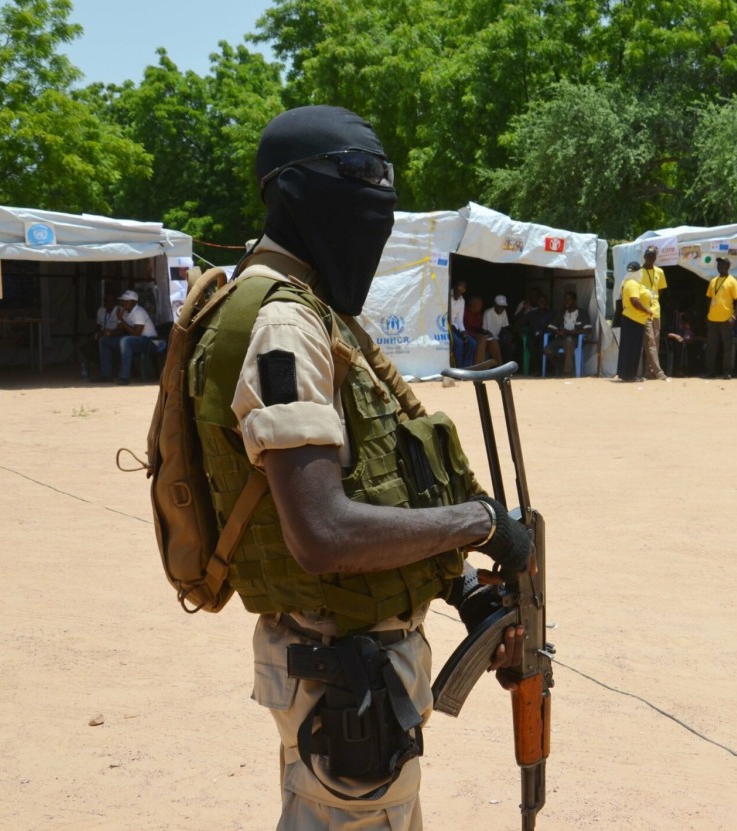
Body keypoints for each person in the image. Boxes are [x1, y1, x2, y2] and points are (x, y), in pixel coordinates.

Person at [189, 105, 532, 829]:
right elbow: (322, 530)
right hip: (342, 675)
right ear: (291, 194)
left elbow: (379, 487)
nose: (373, 209)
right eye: (357, 187)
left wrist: (465, 589)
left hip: (352, 663)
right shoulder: (285, 324)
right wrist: (480, 523)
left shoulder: (314, 310)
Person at [97, 289, 158, 384]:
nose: (124, 303)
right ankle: (106, 375)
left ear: (134, 302)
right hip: (134, 340)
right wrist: (110, 333)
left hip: (149, 341)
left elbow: (137, 333)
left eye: (127, 301)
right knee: (104, 340)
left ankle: (124, 376)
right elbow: (120, 330)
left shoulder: (139, 311)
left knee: (125, 340)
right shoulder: (124, 312)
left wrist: (122, 320)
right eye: (123, 301)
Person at [704, 257, 737, 379]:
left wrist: (734, 316)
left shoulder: (732, 281)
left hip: (726, 319)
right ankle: (711, 371)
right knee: (711, 347)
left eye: (722, 264)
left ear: (728, 266)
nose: (720, 266)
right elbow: (709, 298)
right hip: (712, 319)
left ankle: (727, 372)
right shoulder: (713, 281)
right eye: (718, 264)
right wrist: (708, 314)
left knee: (727, 348)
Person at [618, 261, 652, 382]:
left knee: (628, 347)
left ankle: (626, 374)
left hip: (633, 319)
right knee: (633, 348)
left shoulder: (628, 282)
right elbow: (635, 301)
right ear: (638, 272)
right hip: (633, 319)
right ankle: (630, 375)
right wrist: (647, 310)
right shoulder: (632, 284)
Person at [639, 245, 668, 380]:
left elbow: (660, 291)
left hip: (655, 310)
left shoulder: (660, 272)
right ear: (644, 256)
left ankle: (649, 371)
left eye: (653, 257)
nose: (650, 259)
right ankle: (657, 371)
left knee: (654, 342)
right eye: (648, 256)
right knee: (649, 341)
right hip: (642, 311)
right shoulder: (638, 271)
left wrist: (653, 302)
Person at [545, 291, 591, 376]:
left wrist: (570, 332)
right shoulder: (561, 313)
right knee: (547, 350)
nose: (566, 302)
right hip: (561, 339)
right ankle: (561, 367)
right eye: (565, 300)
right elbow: (550, 327)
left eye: (569, 300)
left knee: (569, 340)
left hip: (576, 340)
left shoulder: (582, 313)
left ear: (574, 301)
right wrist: (558, 331)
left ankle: (568, 371)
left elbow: (588, 330)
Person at [80, 289, 118, 379]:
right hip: (102, 335)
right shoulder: (101, 310)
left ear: (115, 302)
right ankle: (88, 369)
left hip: (115, 336)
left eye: (110, 301)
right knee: (85, 346)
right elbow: (98, 325)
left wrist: (109, 333)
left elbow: (120, 329)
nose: (107, 303)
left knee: (105, 342)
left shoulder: (119, 312)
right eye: (105, 301)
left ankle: (108, 372)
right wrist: (95, 333)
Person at [522, 293, 552, 375]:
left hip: (546, 337)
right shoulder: (532, 314)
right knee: (531, 345)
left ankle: (543, 369)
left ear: (547, 303)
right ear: (537, 303)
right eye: (540, 301)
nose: (541, 303)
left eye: (543, 301)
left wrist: (544, 333)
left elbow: (553, 328)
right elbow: (520, 323)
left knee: (542, 345)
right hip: (533, 336)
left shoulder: (551, 314)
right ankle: (535, 369)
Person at [448, 280, 476, 367]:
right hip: (445, 327)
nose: (462, 289)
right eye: (460, 286)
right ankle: (459, 370)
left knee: (472, 343)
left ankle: (466, 368)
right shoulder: (447, 295)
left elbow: (459, 320)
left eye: (464, 288)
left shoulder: (462, 301)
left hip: (455, 327)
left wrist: (463, 332)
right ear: (455, 286)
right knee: (459, 344)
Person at [482, 294, 515, 363]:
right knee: (495, 344)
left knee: (511, 346)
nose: (501, 309)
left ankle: (505, 366)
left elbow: (503, 327)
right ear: (495, 304)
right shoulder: (488, 313)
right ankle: (498, 365)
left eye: (503, 307)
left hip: (498, 337)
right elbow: (484, 330)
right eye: (499, 306)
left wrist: (509, 334)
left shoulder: (503, 312)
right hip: (489, 339)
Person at [464, 295, 497, 362]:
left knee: (493, 341)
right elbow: (464, 330)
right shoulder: (465, 313)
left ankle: (499, 364)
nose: (482, 307)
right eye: (480, 305)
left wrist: (485, 332)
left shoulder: (478, 313)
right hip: (467, 335)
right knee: (482, 340)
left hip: (476, 334)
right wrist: (477, 335)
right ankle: (479, 366)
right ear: (476, 306)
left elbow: (478, 327)